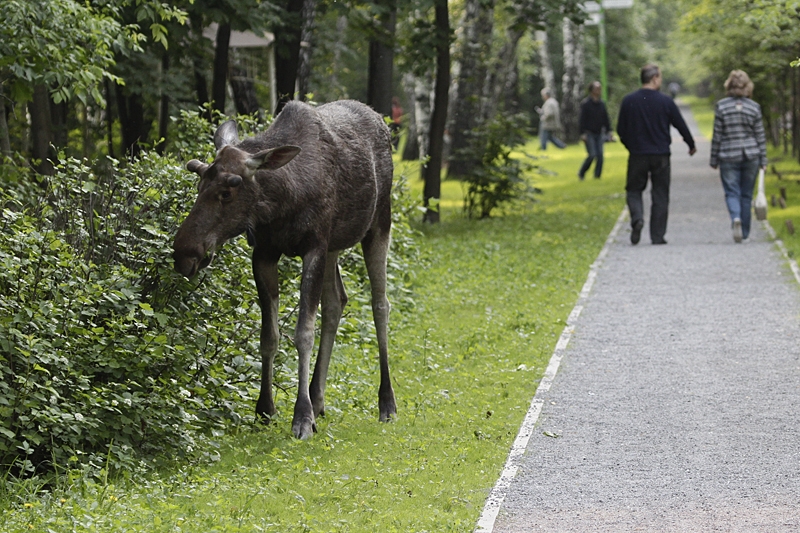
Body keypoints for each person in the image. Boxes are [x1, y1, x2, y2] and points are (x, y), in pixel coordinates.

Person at [617, 64, 697, 245]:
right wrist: (690, 144)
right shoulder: (665, 101)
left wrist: (630, 145)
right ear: (654, 78)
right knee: (660, 193)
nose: (660, 80)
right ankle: (657, 235)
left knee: (634, 189)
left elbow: (621, 129)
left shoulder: (629, 100)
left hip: (638, 154)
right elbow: (680, 124)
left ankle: (637, 218)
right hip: (661, 154)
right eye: (660, 77)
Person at [709, 70, 767, 243]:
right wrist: (763, 159)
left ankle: (735, 217)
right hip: (751, 155)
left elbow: (717, 135)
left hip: (728, 155)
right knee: (746, 194)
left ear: (729, 85)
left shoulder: (722, 106)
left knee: (732, 192)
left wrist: (713, 159)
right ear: (748, 86)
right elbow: (760, 136)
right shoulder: (754, 107)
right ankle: (746, 233)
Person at [578, 81, 613, 180]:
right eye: (597, 88)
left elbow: (605, 118)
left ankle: (597, 176)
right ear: (591, 90)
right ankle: (582, 172)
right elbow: (582, 120)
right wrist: (582, 133)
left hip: (599, 133)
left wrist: (609, 131)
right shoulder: (586, 104)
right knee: (592, 155)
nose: (599, 90)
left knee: (600, 156)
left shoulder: (601, 104)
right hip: (589, 133)